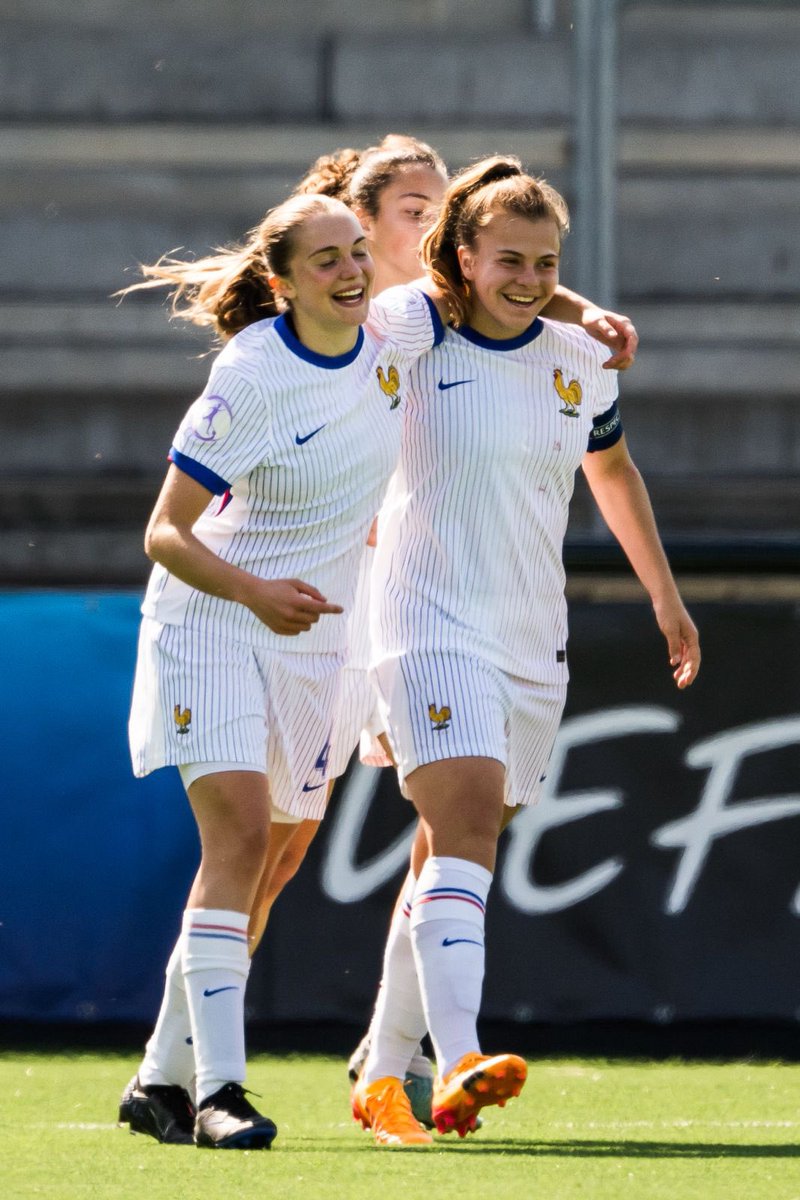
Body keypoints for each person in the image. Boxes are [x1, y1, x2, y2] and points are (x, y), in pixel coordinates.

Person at [348, 156, 700, 1148]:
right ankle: (456, 1058)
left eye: (546, 262)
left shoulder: (578, 359)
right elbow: (390, 298)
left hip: (527, 639)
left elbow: (614, 472)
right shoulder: (418, 330)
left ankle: (380, 1073)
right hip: (424, 624)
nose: (530, 279)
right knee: (462, 828)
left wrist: (664, 600)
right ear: (461, 256)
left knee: (452, 848)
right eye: (508, 259)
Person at [117, 189, 446, 1149]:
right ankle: (222, 1092)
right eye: (326, 261)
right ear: (282, 281)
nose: (351, 272)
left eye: (356, 253)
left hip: (314, 643)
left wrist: (587, 317)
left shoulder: (393, 340)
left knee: (273, 856)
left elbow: (500, 276)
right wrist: (256, 590)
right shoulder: (254, 372)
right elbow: (166, 533)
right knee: (241, 841)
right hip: (212, 620)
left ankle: (158, 1082)